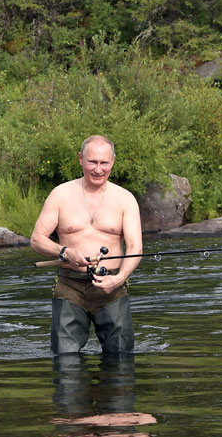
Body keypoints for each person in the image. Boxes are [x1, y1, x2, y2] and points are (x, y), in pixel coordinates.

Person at [30, 135, 142, 354]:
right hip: (69, 285)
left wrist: (118, 279)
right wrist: (64, 251)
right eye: (92, 162)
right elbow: (37, 240)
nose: (98, 169)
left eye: (104, 163)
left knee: (120, 356)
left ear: (113, 161)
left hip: (112, 285)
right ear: (81, 159)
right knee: (65, 358)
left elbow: (135, 248)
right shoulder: (60, 195)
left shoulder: (125, 199)